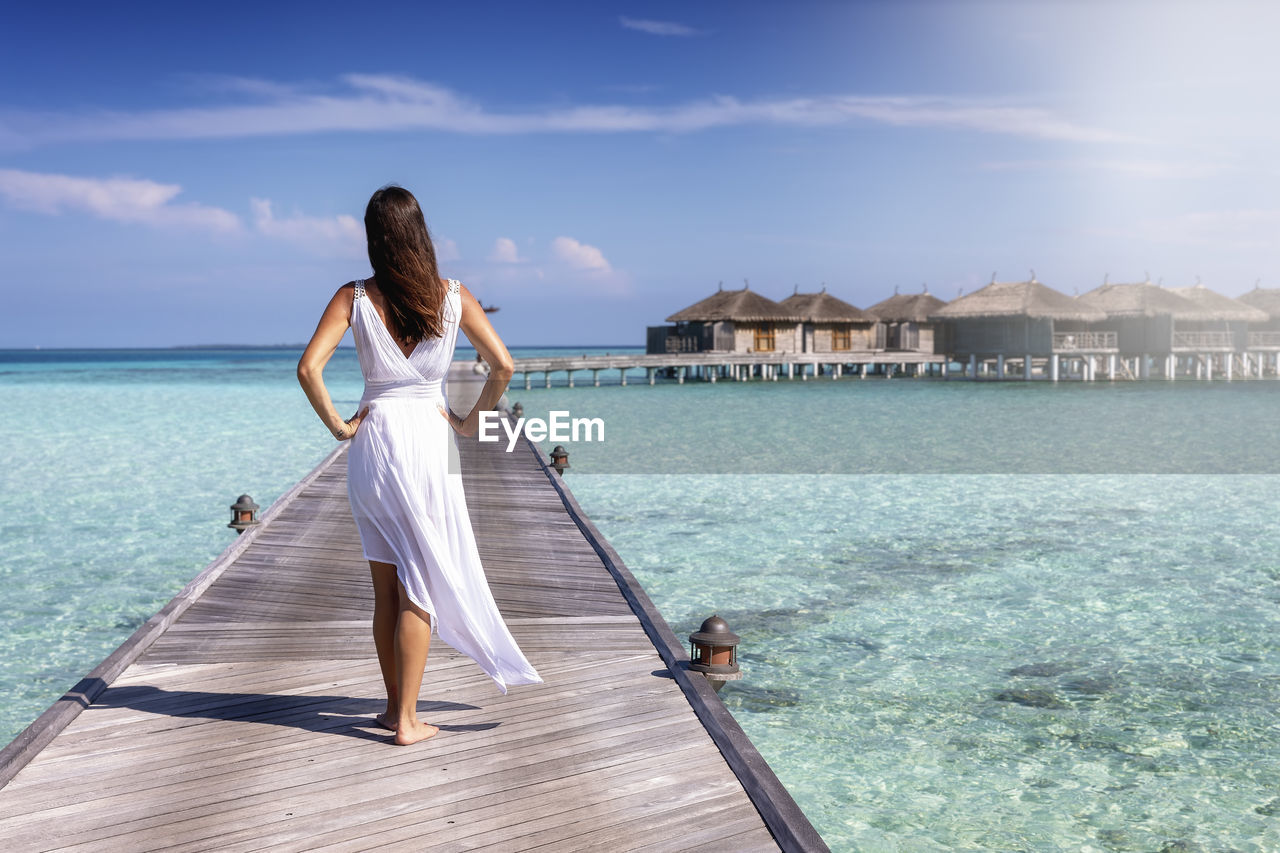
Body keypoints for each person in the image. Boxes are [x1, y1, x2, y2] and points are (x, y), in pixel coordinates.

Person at [297, 185, 542, 746]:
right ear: (420, 233)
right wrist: (469, 421)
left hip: (375, 441)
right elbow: (502, 366)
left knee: (386, 585)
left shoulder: (353, 296)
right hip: (429, 441)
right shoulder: (452, 295)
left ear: (373, 237)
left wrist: (338, 426)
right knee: (420, 586)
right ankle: (407, 721)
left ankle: (393, 710)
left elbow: (309, 369)